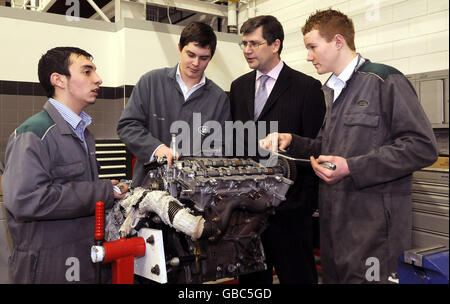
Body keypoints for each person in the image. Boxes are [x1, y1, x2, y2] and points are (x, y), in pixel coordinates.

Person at [260, 9, 439, 283]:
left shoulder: (384, 81)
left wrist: (352, 167)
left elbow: (422, 146)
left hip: (374, 233)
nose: (309, 56)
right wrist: (292, 142)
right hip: (336, 229)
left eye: (312, 47)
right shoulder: (332, 91)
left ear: (338, 42)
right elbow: (327, 147)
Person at [1, 47, 128, 283]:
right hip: (48, 268)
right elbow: (25, 199)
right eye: (87, 71)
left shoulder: (83, 134)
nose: (98, 79)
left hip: (83, 260)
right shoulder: (35, 133)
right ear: (58, 80)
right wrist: (102, 191)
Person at [230, 15, 326, 284]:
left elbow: (316, 148)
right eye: (244, 43)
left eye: (254, 43)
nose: (247, 50)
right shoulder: (238, 88)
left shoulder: (306, 88)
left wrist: (302, 207)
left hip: (290, 213)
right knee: (251, 282)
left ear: (275, 45)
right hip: (248, 212)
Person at [117, 21, 231, 187]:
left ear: (211, 58)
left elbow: (222, 147)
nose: (196, 63)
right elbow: (127, 125)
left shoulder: (219, 99)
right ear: (179, 48)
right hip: (148, 187)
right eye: (190, 55)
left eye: (203, 58)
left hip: (195, 192)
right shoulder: (151, 82)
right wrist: (156, 149)